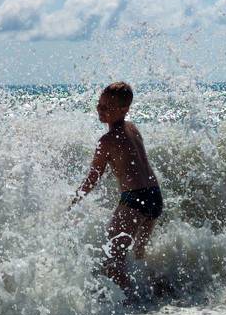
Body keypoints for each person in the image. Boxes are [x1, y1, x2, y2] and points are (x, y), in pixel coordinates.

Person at [69, 81, 163, 298]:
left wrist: (74, 201)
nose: (100, 109)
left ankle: (129, 302)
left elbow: (92, 178)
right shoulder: (133, 128)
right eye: (99, 104)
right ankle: (156, 293)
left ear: (124, 109)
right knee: (138, 255)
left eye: (107, 107)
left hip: (135, 198)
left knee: (113, 258)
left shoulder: (106, 141)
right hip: (154, 196)